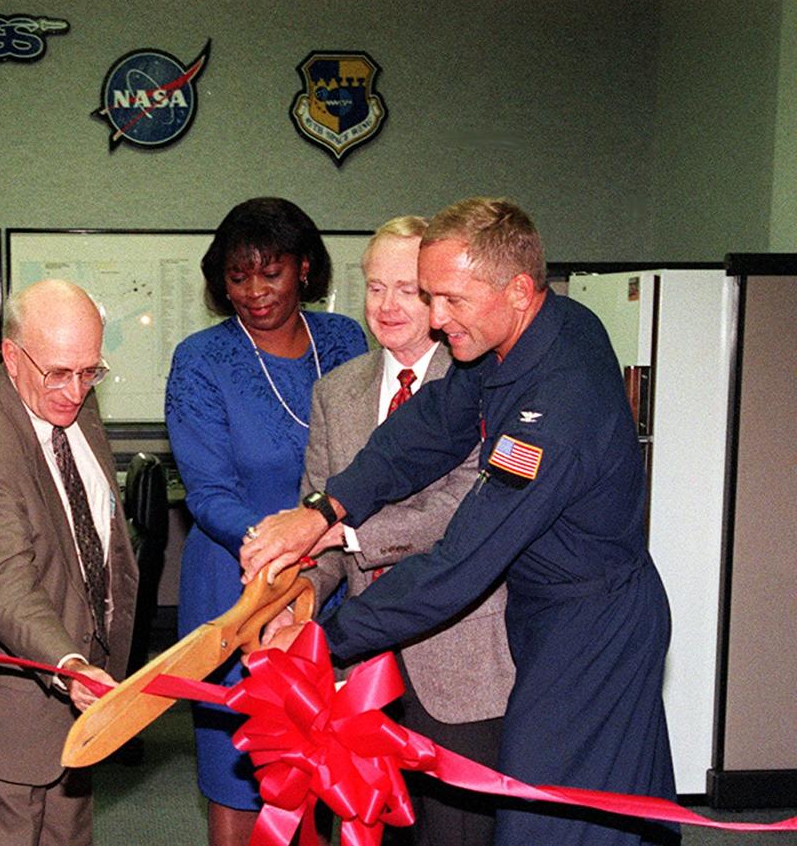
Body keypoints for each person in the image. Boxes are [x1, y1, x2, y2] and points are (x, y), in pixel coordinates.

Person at [243, 197, 677, 846]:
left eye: (451, 299)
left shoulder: (554, 409)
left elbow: (459, 565)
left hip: (594, 627)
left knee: (546, 825)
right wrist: (325, 508)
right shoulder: (531, 330)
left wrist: (320, 645)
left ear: (519, 289)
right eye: (429, 295)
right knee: (598, 818)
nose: (436, 319)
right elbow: (430, 424)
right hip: (548, 609)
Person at [280, 216, 514, 846]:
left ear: (440, 299)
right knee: (366, 829)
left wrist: (348, 537)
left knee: (454, 834)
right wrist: (297, 598)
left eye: (407, 289)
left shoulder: (483, 380)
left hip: (459, 660)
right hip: (363, 664)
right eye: (375, 287)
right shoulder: (335, 394)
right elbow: (318, 525)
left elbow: (466, 505)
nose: (387, 305)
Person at [164, 197, 367, 846]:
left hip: (333, 579)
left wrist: (319, 544)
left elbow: (372, 461)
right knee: (242, 777)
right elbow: (208, 491)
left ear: (305, 268)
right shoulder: (202, 358)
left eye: (270, 272)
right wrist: (288, 545)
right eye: (237, 275)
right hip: (236, 579)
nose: (253, 291)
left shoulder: (346, 342)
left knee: (333, 764)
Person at [0, 279, 139, 846]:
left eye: (90, 371)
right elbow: (3, 586)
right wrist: (69, 663)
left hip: (77, 694)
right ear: (11, 355)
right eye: (59, 373)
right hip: (5, 710)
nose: (75, 392)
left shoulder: (68, 393)